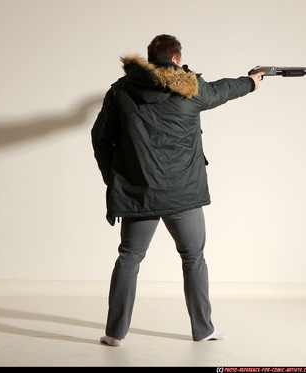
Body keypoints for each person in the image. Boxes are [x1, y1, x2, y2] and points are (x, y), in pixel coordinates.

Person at [91, 34, 264, 347]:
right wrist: (251, 82)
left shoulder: (120, 90)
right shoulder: (191, 87)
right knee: (193, 258)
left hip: (139, 193)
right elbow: (224, 89)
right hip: (183, 194)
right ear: (175, 59)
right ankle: (203, 330)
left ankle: (114, 334)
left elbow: (100, 138)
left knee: (129, 258)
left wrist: (115, 178)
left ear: (149, 58)